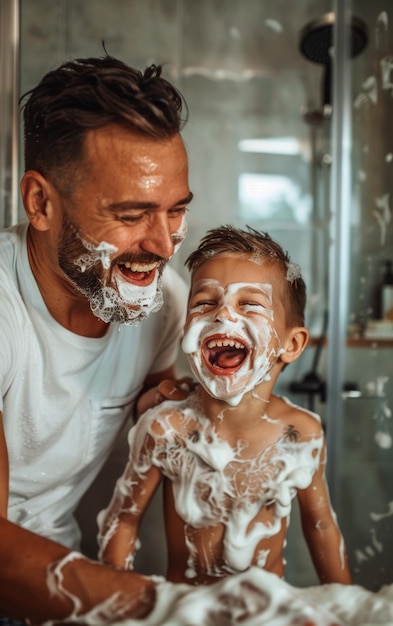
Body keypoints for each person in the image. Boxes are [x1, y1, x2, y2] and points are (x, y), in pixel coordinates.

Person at [0, 53, 194, 625]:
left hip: (60, 570)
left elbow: (160, 424)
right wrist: (166, 607)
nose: (164, 245)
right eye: (131, 214)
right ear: (40, 202)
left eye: (175, 212)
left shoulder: (162, 298)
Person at [97, 225, 352, 586]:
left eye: (249, 304)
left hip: (267, 615)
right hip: (188, 613)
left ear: (291, 345)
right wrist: (114, 602)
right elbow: (123, 520)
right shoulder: (166, 428)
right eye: (205, 302)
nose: (224, 316)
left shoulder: (300, 434)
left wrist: (345, 606)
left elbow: (321, 524)